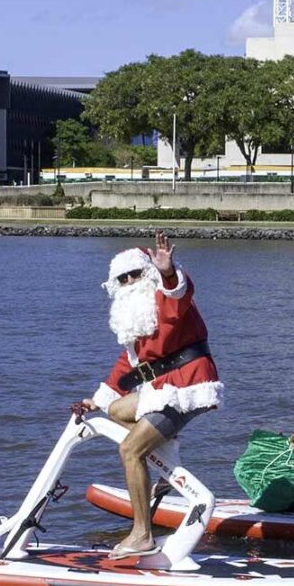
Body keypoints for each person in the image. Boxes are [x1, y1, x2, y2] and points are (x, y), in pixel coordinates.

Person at [81, 231, 223, 559]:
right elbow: (129, 367)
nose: (131, 280)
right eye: (123, 277)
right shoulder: (135, 316)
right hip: (162, 388)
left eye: (136, 273)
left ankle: (142, 534)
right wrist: (97, 400)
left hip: (187, 387)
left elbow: (178, 294)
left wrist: (168, 271)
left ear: (148, 274)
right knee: (116, 410)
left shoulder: (163, 297)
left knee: (131, 450)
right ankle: (164, 463)